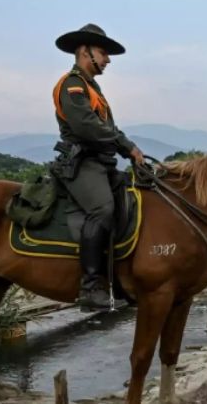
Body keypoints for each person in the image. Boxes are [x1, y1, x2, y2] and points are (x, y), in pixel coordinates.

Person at [51, 24, 145, 311]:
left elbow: (108, 127)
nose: (108, 59)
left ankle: (122, 278)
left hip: (102, 162)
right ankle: (91, 287)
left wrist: (124, 146)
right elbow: (87, 126)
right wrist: (127, 146)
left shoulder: (94, 88)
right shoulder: (72, 84)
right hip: (83, 162)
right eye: (103, 53)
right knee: (102, 209)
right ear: (84, 51)